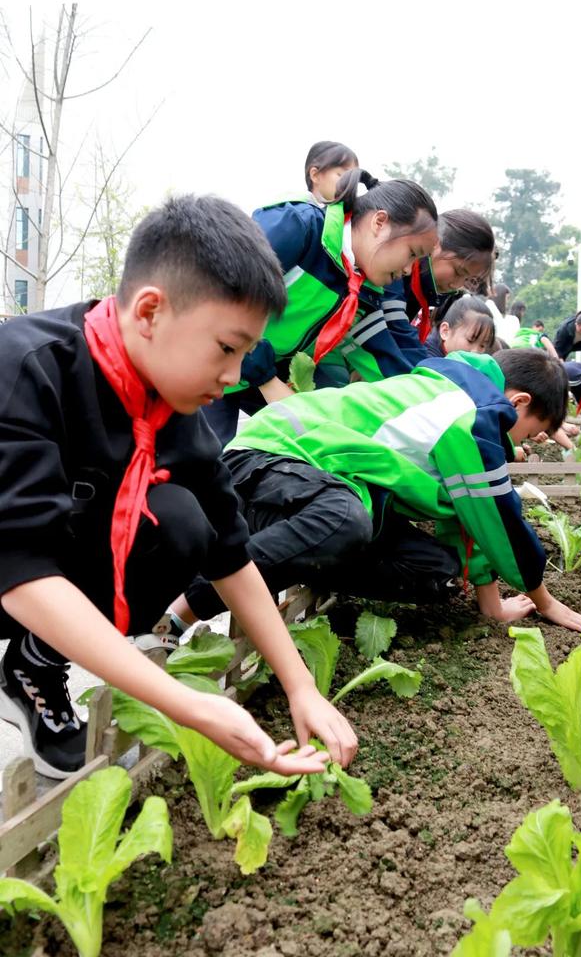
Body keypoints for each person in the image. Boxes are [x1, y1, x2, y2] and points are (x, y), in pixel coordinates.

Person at [0, 194, 357, 780]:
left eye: (245, 354)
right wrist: (187, 704)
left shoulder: (170, 409)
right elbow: (22, 572)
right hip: (13, 575)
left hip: (33, 571)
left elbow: (230, 552)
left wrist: (301, 687)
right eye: (226, 348)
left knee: (183, 522)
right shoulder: (27, 370)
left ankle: (32, 668)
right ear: (149, 312)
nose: (235, 377)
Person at [176, 349, 581, 637]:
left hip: (308, 491)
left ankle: (288, 559)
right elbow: (499, 516)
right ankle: (183, 609)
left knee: (436, 571)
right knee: (346, 521)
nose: (523, 443)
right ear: (518, 402)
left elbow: (469, 519)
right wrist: (542, 598)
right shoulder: (470, 416)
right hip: (265, 465)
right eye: (533, 430)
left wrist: (490, 606)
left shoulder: (456, 402)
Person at [203, 169, 440, 444]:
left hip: (260, 376)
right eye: (412, 254)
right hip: (212, 360)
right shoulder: (301, 226)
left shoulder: (364, 294)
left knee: (318, 444)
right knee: (202, 461)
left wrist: (442, 397)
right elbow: (221, 283)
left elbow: (389, 364)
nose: (410, 270)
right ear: (380, 222)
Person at [423, 295, 495, 358]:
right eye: (470, 340)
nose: (475, 352)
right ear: (445, 331)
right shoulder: (424, 359)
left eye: (482, 345)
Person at [304, 140, 359, 205]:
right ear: (315, 175)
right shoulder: (298, 212)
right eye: (344, 176)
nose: (350, 184)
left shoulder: (346, 213)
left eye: (354, 179)